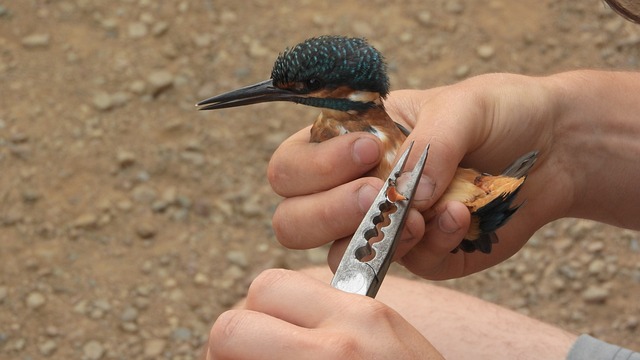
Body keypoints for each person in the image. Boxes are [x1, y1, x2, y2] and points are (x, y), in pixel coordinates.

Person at [203, 69, 640, 359]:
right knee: (279, 316)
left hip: (475, 199)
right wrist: (561, 141)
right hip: (483, 194)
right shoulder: (368, 129)